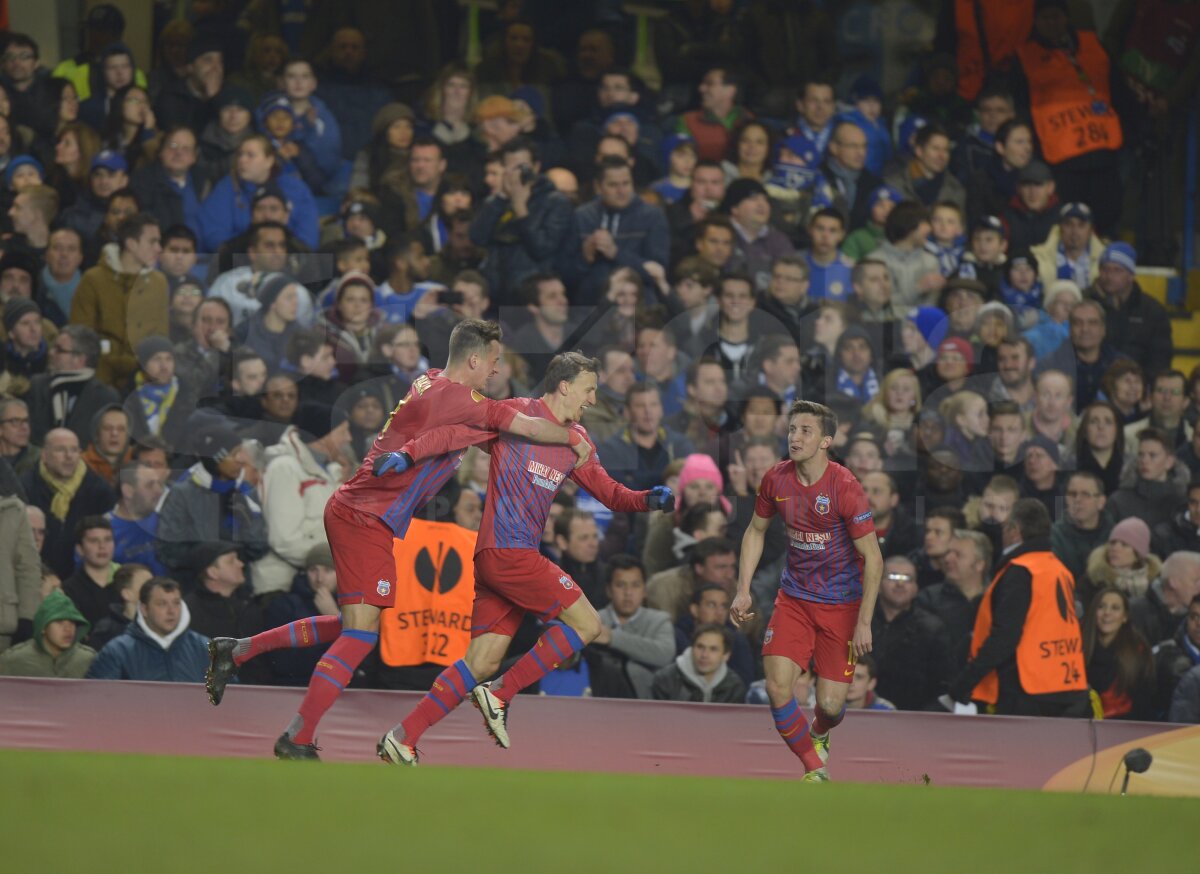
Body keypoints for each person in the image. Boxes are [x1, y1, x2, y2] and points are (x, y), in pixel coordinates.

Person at [204, 321, 587, 760]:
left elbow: (470, 434)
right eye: (494, 362)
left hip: (360, 512)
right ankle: (298, 735)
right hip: (365, 518)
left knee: (360, 625)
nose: (496, 372)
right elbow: (528, 428)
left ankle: (239, 650)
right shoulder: (460, 397)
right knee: (361, 637)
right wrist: (574, 440)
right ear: (475, 359)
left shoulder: (431, 383)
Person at [374, 351, 670, 763]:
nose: (593, 400)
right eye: (589, 390)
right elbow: (453, 435)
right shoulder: (513, 416)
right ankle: (501, 693)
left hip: (500, 561)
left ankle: (402, 737)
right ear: (564, 386)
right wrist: (407, 454)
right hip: (507, 553)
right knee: (588, 624)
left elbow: (610, 493)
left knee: (480, 661)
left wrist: (647, 500)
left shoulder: (577, 442)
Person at [732, 399, 883, 782]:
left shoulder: (844, 487)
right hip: (795, 600)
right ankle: (814, 769)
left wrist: (864, 622)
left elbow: (874, 559)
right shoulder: (775, 479)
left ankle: (819, 733)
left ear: (826, 441)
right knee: (777, 686)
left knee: (831, 706)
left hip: (842, 607)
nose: (795, 437)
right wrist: (743, 590)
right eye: (792, 429)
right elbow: (756, 530)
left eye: (805, 431)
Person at [946, 499, 1091, 717]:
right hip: (1068, 685)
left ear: (1014, 531)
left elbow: (1005, 635)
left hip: (1028, 689)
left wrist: (965, 682)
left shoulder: (1022, 570)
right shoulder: (1059, 568)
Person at [69, 212, 167, 388]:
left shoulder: (159, 283)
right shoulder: (93, 279)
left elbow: (160, 340)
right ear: (131, 244)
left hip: (142, 382)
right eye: (152, 241)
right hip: (98, 379)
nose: (159, 248)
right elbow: (81, 338)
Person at [469, 137, 573, 302]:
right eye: (509, 167)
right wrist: (502, 197)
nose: (516, 173)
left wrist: (521, 209)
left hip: (533, 296)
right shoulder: (495, 202)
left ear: (536, 167)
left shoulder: (555, 202)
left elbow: (542, 249)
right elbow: (477, 238)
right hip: (496, 292)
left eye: (521, 167)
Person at [19, 429, 114, 578]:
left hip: (84, 578)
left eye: (74, 450)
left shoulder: (99, 491)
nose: (69, 456)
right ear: (44, 455)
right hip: (35, 574)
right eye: (60, 450)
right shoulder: (24, 488)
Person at [87, 576, 209, 682]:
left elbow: (226, 696)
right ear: (144, 609)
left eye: (176, 603)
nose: (171, 611)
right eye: (162, 604)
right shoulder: (117, 652)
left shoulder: (205, 649)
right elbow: (97, 700)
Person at [870, 555, 952, 710]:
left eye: (907, 578)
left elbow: (942, 684)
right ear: (878, 584)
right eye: (893, 576)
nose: (900, 583)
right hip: (859, 713)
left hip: (914, 718)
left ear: (916, 588)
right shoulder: (860, 622)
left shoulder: (933, 629)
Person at [592, 555, 676, 699]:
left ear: (644, 591)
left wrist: (612, 637)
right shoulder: (594, 620)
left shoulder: (659, 620)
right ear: (609, 590)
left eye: (635, 585)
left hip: (646, 706)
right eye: (620, 585)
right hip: (600, 702)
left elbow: (665, 654)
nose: (628, 593)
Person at [1089, 243, 1172, 380]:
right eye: (1104, 269)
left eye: (1117, 270)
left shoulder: (1153, 311)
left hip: (1137, 388)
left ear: (1131, 275)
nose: (1109, 276)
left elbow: (1160, 359)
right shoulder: (1085, 303)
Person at [1082, 587, 1156, 720]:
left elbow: (1145, 703)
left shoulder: (1138, 650)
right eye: (1101, 607)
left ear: (1125, 617)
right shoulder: (1077, 646)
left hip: (1125, 728)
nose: (1107, 613)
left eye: (1115, 608)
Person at [0, 589, 95, 678]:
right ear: (43, 627)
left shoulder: (88, 660)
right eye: (59, 622)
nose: (68, 629)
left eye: (72, 622)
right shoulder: (14, 660)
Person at [1108, 428, 1185, 531]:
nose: (1144, 460)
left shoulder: (1181, 503)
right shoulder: (1118, 501)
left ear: (1169, 462)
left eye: (1152, 455)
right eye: (1141, 455)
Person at [650, 624, 746, 703]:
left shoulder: (734, 687)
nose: (704, 655)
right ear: (691, 648)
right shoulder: (665, 680)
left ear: (726, 655)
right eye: (700, 647)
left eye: (713, 649)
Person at [1051, 471, 1114, 586]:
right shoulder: (1054, 536)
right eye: (1072, 494)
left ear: (1101, 502)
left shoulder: (1114, 536)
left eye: (1085, 495)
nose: (1077, 500)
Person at [61, 515, 119, 628]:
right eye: (94, 541)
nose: (102, 546)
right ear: (80, 549)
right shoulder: (69, 590)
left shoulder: (126, 583)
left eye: (107, 540)